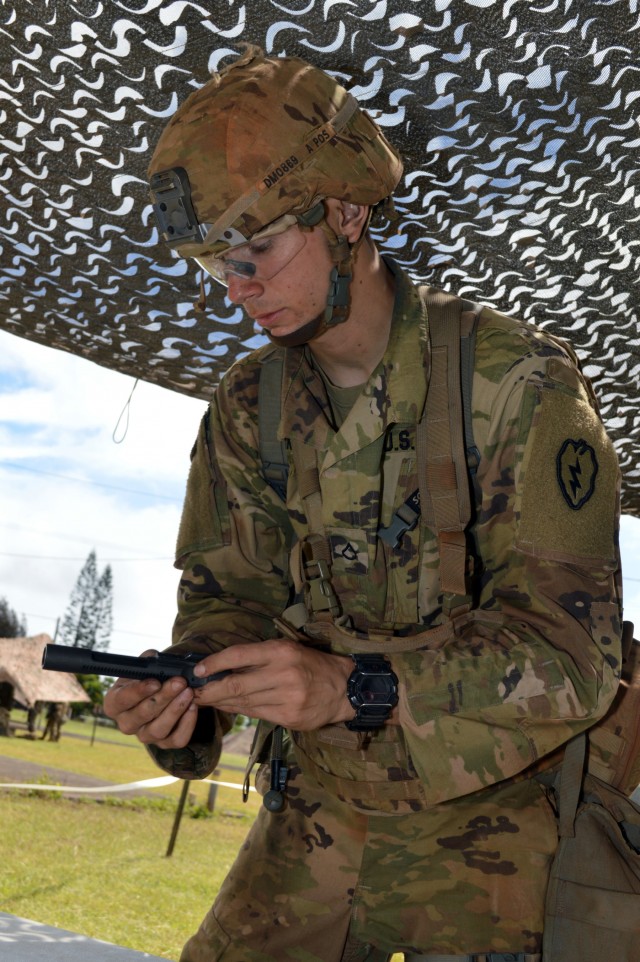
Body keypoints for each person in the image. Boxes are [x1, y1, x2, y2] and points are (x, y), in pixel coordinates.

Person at [104, 48, 623, 962]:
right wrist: (187, 690)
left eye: (256, 249)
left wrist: (355, 688)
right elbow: (230, 603)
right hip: (320, 810)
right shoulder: (245, 409)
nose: (237, 287)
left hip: (499, 820)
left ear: (345, 210)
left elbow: (572, 659)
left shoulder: (516, 384)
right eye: (216, 263)